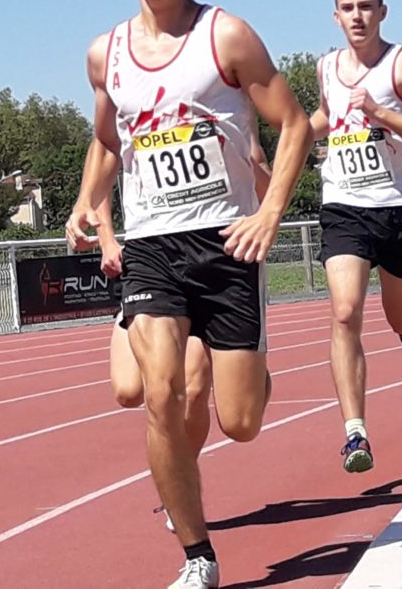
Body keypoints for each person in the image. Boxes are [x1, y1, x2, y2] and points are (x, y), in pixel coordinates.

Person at [66, 0, 312, 589]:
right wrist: (89, 202)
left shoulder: (226, 37)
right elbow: (109, 141)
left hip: (227, 243)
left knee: (238, 423)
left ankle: (254, 363)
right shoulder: (104, 54)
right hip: (152, 245)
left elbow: (292, 124)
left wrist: (268, 213)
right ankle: (197, 555)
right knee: (161, 392)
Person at [309, 0, 402, 474]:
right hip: (344, 206)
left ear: (382, 12)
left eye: (366, 6)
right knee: (345, 312)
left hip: (399, 210)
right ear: (336, 16)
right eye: (348, 8)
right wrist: (294, 139)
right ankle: (354, 432)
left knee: (398, 321)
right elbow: (326, 115)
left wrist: (383, 115)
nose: (357, 16)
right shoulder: (326, 66)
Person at [96, 138, 273, 534]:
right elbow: (101, 173)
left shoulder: (229, 116)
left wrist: (249, 170)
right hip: (152, 258)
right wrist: (107, 238)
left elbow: (267, 187)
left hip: (213, 258)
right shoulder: (134, 108)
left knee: (212, 403)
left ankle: (178, 487)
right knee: (128, 391)